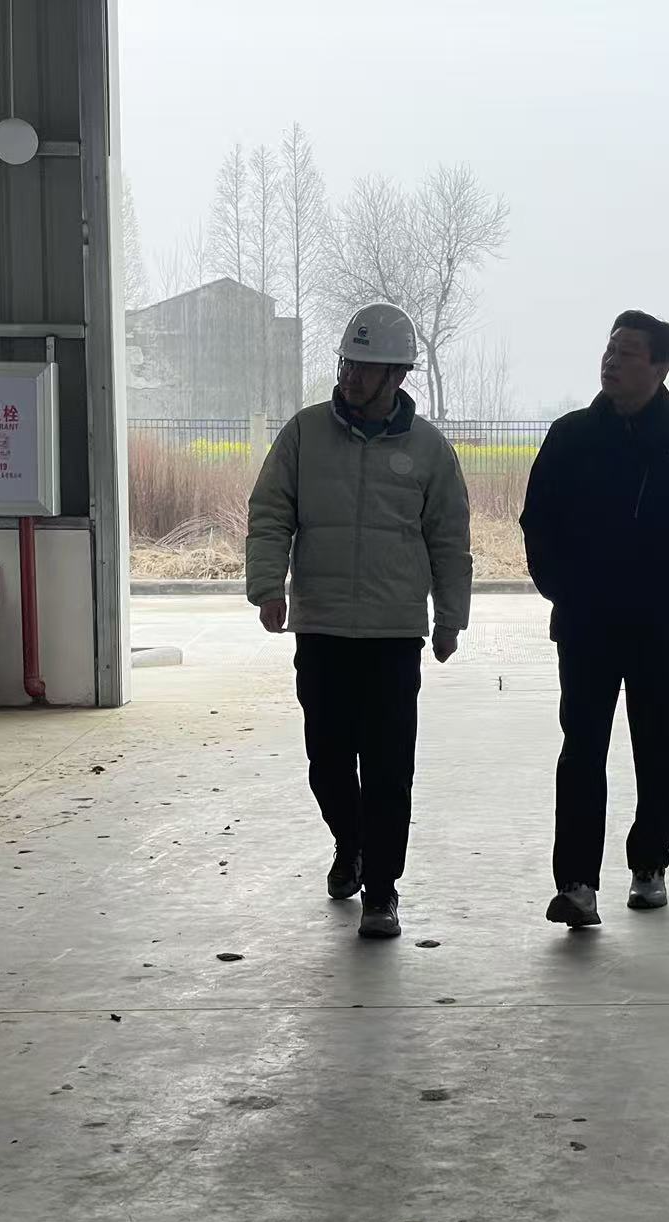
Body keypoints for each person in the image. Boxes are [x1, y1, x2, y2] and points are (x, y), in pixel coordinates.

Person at [246, 302, 473, 940]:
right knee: (327, 761)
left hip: (394, 634)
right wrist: (267, 587)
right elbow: (270, 512)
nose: (349, 377)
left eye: (365, 368)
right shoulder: (304, 434)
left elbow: (449, 538)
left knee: (389, 766)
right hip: (321, 627)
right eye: (346, 363)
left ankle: (382, 890)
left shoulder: (428, 449)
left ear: (396, 375)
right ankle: (351, 843)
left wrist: (451, 617)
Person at [520, 310, 669, 926]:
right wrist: (561, 588)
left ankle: (649, 864)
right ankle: (576, 884)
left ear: (660, 366)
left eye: (628, 353)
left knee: (659, 750)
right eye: (609, 350)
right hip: (585, 623)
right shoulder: (570, 437)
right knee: (582, 749)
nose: (611, 362)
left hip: (658, 625)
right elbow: (538, 521)